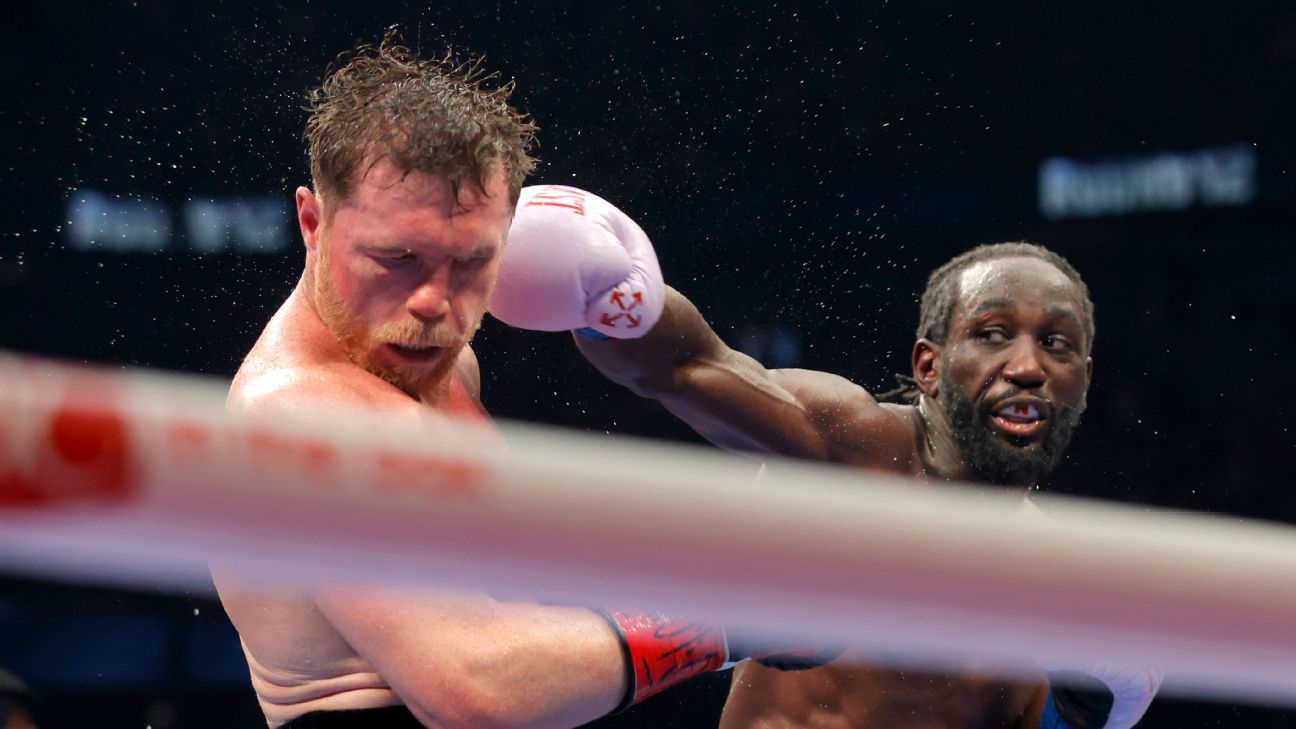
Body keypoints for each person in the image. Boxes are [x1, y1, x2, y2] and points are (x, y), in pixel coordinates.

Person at [213, 35, 826, 729]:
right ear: (312, 222)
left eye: (471, 262)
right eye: (397, 258)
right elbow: (473, 691)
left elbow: (510, 596)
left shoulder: (436, 363)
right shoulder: (299, 416)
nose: (433, 302)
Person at [493, 189, 1164, 729]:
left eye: (1057, 344)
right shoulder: (849, 447)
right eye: (992, 334)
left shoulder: (1059, 592)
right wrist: (611, 299)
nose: (1027, 366)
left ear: (1083, 382)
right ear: (929, 367)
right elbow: (684, 365)